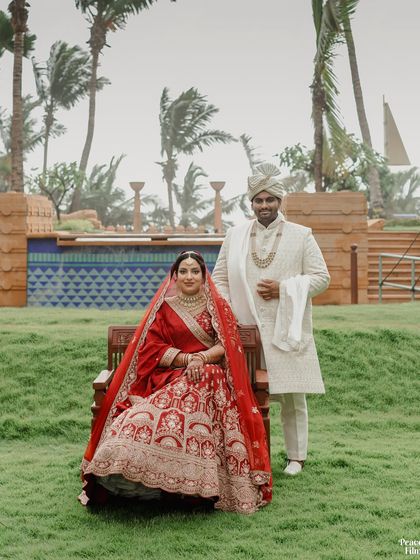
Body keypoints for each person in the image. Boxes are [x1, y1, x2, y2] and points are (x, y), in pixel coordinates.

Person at [79, 251, 272, 514]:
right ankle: (130, 467)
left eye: (195, 271)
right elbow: (151, 347)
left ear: (204, 276)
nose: (189, 276)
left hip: (207, 380)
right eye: (184, 271)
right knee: (142, 415)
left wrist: (201, 359)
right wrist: (185, 359)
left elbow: (226, 345)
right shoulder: (165, 307)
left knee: (209, 374)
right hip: (168, 379)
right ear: (175, 276)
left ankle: (189, 481)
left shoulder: (219, 306)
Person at [212, 163, 330, 476]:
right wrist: (230, 312)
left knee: (292, 395)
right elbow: (219, 277)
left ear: (280, 202)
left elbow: (321, 277)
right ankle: (251, 456)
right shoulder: (235, 236)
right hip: (245, 328)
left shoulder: (301, 235)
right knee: (245, 393)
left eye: (270, 200)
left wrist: (284, 289)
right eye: (258, 201)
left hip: (285, 326)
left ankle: (296, 457)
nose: (264, 206)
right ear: (250, 204)